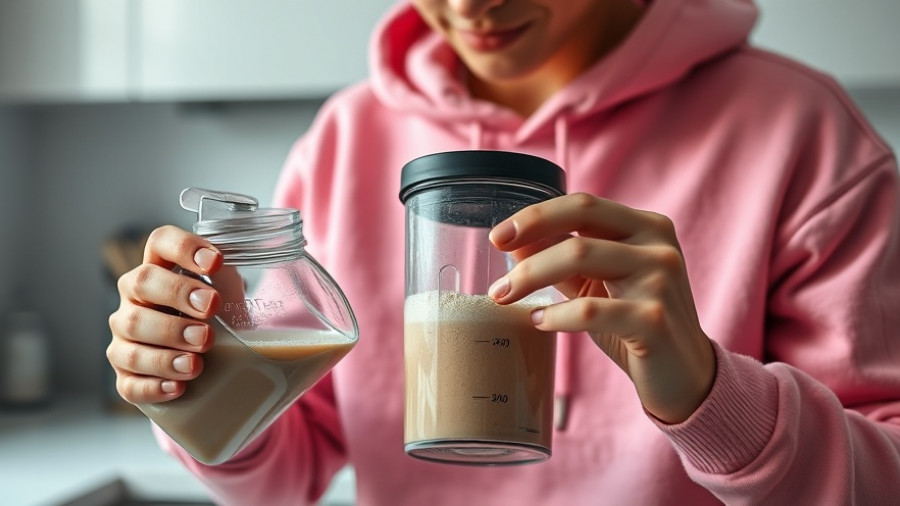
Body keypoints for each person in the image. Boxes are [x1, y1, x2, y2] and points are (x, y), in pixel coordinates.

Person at [106, 0, 900, 504]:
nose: (470, 5)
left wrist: (710, 397)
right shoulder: (345, 140)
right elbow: (286, 473)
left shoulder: (800, 131)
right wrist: (192, 382)